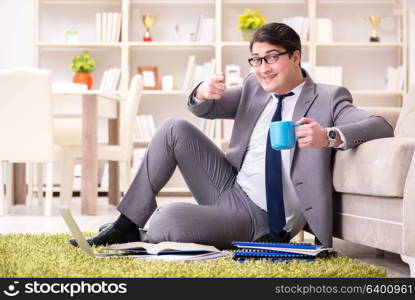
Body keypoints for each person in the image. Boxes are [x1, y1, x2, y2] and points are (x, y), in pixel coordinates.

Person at [69, 22, 393, 249]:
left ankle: (152, 230)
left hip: (262, 218)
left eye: (271, 58)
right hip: (230, 185)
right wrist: (202, 90)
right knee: (172, 128)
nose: (263, 68)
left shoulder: (328, 97)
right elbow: (206, 110)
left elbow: (379, 125)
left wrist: (329, 136)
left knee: (168, 219)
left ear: (295, 56)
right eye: (256, 60)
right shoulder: (254, 86)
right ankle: (127, 223)